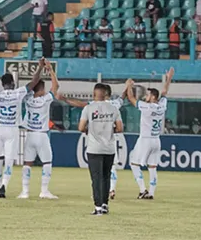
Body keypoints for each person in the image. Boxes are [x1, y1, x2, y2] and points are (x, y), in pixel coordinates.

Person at [0, 58, 42, 198]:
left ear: (2, 84)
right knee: (9, 161)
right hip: (12, 130)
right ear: (13, 83)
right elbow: (34, 82)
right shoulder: (18, 93)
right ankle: (4, 184)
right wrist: (39, 67)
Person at [59, 84, 127, 200]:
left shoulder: (91, 106)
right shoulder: (115, 106)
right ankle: (110, 191)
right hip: (110, 145)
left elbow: (80, 108)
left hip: (95, 146)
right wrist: (128, 87)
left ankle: (98, 203)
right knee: (110, 171)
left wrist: (65, 99)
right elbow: (122, 98)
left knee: (97, 176)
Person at [125, 67, 174, 200]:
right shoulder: (162, 105)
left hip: (145, 139)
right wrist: (168, 78)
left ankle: (142, 190)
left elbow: (131, 98)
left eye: (147, 95)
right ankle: (151, 193)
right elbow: (164, 93)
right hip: (156, 140)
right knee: (152, 167)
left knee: (134, 164)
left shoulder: (147, 106)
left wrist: (128, 86)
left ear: (152, 97)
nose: (145, 97)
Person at [78, 83, 123, 216]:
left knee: (96, 178)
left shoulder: (88, 108)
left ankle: (97, 207)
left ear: (94, 94)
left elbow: (81, 128)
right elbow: (120, 128)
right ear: (105, 94)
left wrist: (89, 130)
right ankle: (104, 204)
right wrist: (110, 130)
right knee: (106, 177)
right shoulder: (114, 109)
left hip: (94, 148)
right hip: (109, 148)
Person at [18, 62, 59, 199]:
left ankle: (25, 192)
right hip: (41, 135)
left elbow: (33, 82)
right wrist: (51, 71)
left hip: (29, 134)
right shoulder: (45, 99)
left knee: (27, 163)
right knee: (47, 162)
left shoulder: (28, 99)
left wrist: (40, 68)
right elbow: (56, 87)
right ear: (41, 89)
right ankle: (44, 191)